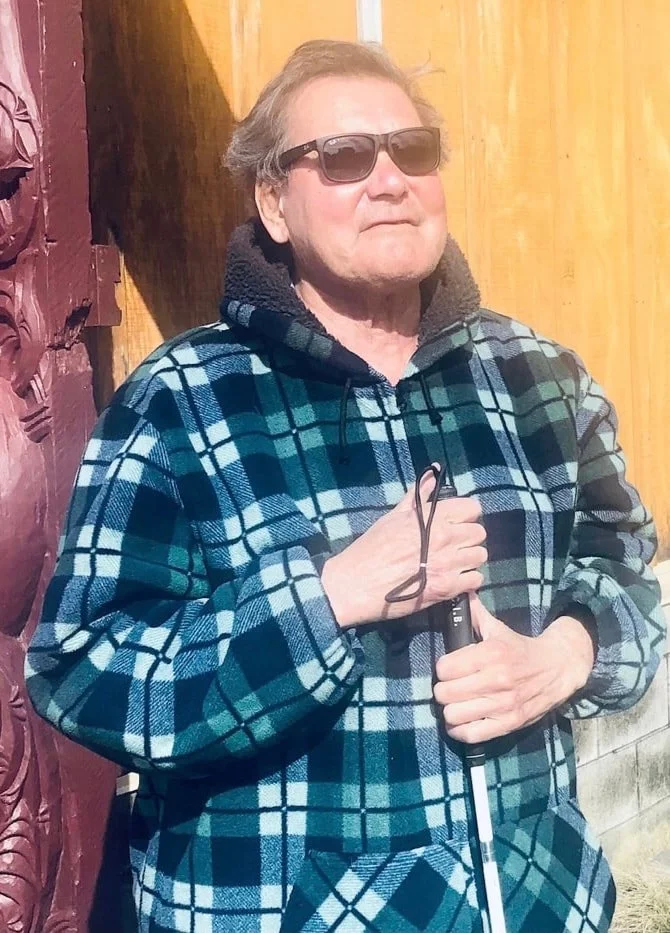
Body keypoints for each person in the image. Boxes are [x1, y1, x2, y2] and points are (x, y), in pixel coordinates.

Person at [26, 39, 665, 933]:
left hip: (540, 903)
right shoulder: (180, 401)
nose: (390, 180)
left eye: (413, 150)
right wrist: (328, 599)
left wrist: (567, 653)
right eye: (342, 157)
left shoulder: (539, 378)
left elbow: (629, 569)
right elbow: (81, 671)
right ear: (273, 203)